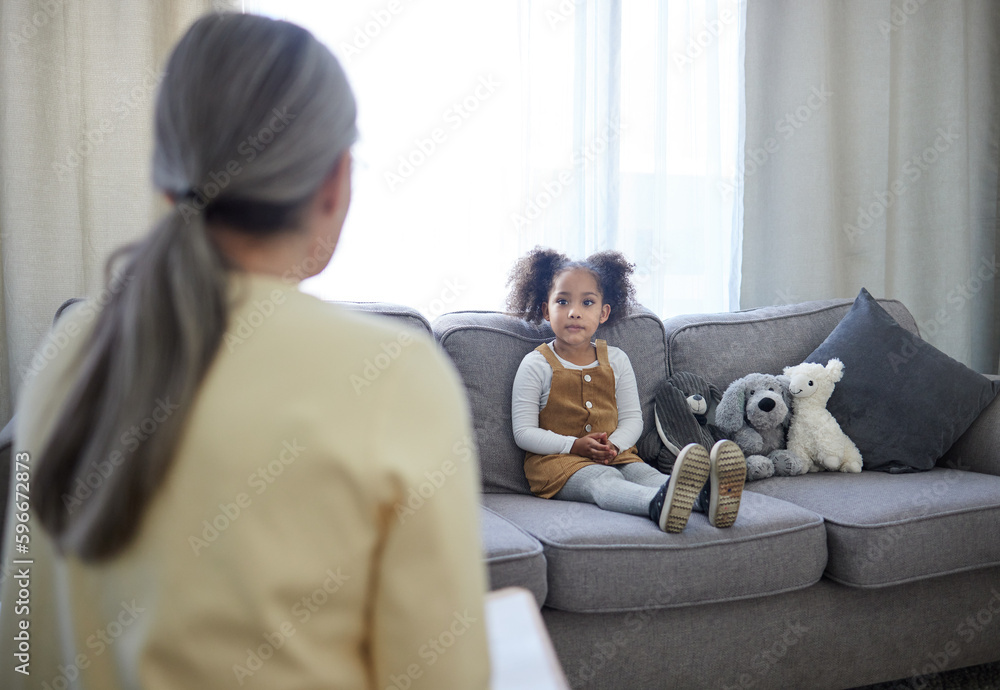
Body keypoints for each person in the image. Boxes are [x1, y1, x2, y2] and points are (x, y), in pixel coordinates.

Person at [0, 13, 489, 689]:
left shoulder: (66, 353)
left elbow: (22, 643)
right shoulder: (398, 380)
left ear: (167, 177)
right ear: (333, 183)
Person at [507, 247, 747, 533]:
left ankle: (707, 499)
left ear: (603, 312)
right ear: (546, 310)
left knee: (645, 473)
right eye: (562, 301)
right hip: (558, 463)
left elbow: (633, 419)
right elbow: (524, 433)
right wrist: (574, 445)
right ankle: (655, 505)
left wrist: (616, 445)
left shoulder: (617, 360)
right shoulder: (536, 365)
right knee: (602, 482)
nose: (574, 312)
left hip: (617, 453)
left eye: (587, 302)